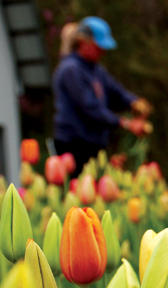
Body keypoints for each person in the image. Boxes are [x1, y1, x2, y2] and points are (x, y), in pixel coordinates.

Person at [52, 16, 151, 176]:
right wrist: (126, 123)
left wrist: (135, 103)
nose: (103, 52)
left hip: (95, 144)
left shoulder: (96, 70)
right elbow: (91, 108)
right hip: (75, 145)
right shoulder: (71, 70)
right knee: (80, 193)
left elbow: (116, 92)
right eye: (99, 47)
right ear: (84, 42)